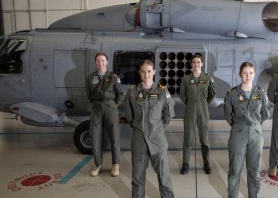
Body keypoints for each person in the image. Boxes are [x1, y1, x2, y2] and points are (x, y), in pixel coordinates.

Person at [124, 60, 175, 198]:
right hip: (139, 141)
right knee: (137, 179)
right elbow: (129, 115)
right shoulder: (132, 92)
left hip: (158, 141)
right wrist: (139, 127)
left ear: (154, 72)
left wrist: (157, 129)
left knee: (164, 178)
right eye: (143, 71)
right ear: (139, 73)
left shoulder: (162, 92)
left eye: (148, 71)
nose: (146, 74)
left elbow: (168, 116)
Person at [224, 61, 270, 198]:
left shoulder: (260, 93)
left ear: (254, 74)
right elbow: (228, 114)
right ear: (240, 75)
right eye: (245, 73)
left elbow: (265, 113)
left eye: (250, 73)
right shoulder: (232, 94)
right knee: (234, 170)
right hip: (238, 133)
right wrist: (239, 125)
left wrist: (255, 124)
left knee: (254, 171)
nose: (247, 76)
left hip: (256, 135)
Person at [86, 52, 124, 177]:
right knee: (95, 137)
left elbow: (120, 93)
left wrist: (114, 105)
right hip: (96, 108)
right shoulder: (91, 77)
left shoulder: (113, 77)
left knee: (114, 137)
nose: (100, 63)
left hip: (110, 107)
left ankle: (115, 165)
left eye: (103, 60)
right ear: (95, 63)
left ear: (107, 62)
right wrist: (95, 104)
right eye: (98, 60)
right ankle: (98, 164)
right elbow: (89, 94)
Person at [179, 54, 216, 175]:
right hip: (190, 108)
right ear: (191, 64)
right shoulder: (185, 79)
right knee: (187, 138)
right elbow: (182, 95)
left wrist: (203, 103)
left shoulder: (208, 78)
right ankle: (185, 163)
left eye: (198, 62)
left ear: (202, 64)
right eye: (194, 62)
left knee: (204, 138)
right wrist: (191, 103)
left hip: (203, 108)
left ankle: (206, 163)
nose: (196, 64)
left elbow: (212, 94)